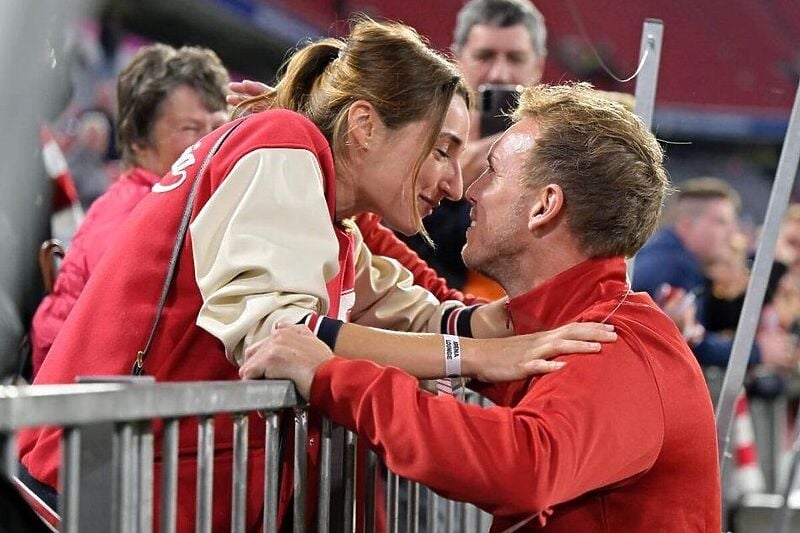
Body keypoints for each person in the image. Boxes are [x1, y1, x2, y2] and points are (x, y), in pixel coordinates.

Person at [18, 20, 614, 532]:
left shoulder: (334, 215)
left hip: (145, 487)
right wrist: (478, 359)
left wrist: (543, 311)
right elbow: (286, 338)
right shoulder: (286, 140)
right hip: (86, 490)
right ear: (364, 126)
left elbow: (422, 312)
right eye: (440, 149)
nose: (455, 184)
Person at [242, 82, 721, 532]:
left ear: (545, 205)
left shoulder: (615, 344)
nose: (468, 192)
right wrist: (327, 163)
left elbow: (524, 466)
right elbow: (436, 300)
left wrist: (332, 378)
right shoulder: (565, 322)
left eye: (491, 173)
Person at [29, 43, 231, 377]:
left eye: (219, 127)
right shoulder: (130, 215)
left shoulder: (181, 211)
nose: (214, 144)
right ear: (137, 140)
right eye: (191, 129)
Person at [402, 0, 549, 293]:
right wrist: (443, 191)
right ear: (457, 59)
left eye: (515, 58)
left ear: (538, 66)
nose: (499, 74)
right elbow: (389, 251)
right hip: (431, 308)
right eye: (485, 56)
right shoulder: (413, 139)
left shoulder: (556, 157)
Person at [633, 177, 794, 369]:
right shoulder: (675, 265)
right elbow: (688, 343)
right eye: (721, 222)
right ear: (687, 225)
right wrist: (758, 351)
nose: (732, 232)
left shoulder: (671, 257)